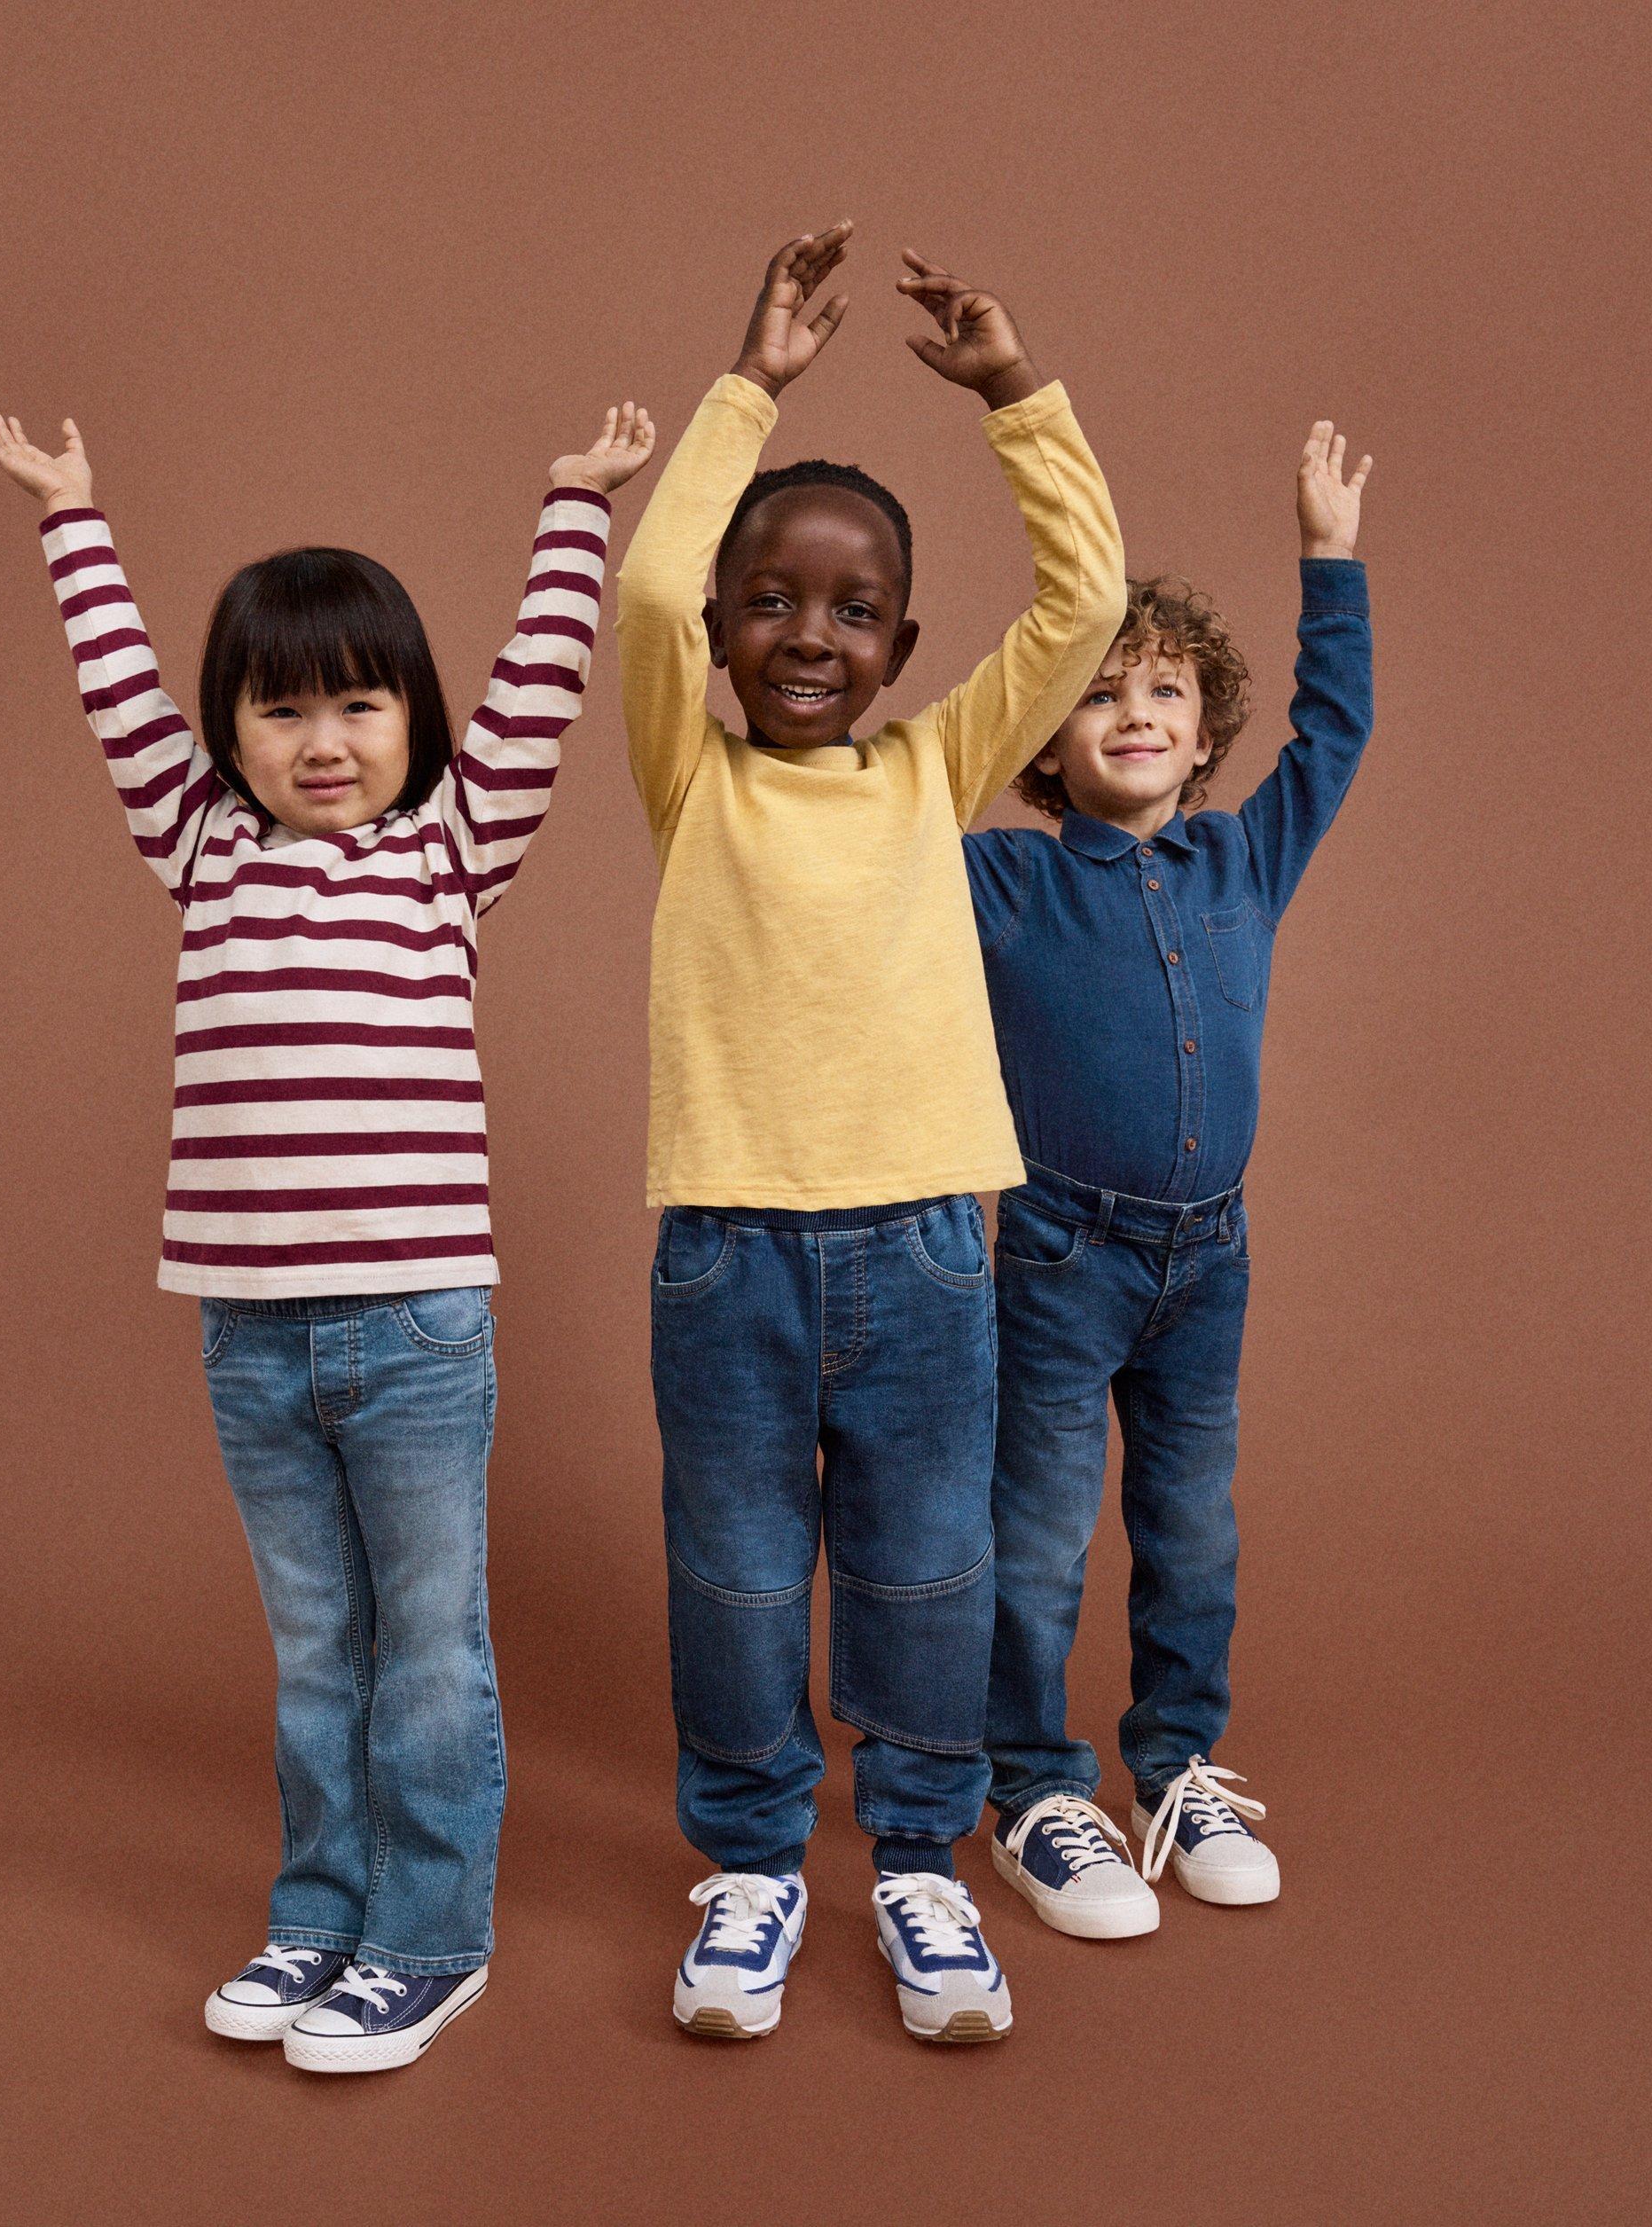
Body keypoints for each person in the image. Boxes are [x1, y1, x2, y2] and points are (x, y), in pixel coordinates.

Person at [0, 398, 654, 2070]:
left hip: (419, 1324)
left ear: (416, 719)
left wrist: (575, 507)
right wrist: (74, 515)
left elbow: (543, 693)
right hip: (251, 1329)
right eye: (280, 711)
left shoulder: (449, 847)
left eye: (361, 701)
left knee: (426, 1645)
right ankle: (318, 1915)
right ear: (230, 737)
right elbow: (118, 695)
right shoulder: (201, 840)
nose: (324, 739)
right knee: (311, 1647)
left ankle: (427, 1940)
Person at [615, 223, 1126, 2043]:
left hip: (921, 1249)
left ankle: (919, 1856)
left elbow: (1079, 604)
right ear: (724, 630)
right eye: (769, 599)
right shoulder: (690, 773)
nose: (803, 632)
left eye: (846, 610)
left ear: (901, 645)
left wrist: (1011, 393)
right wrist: (751, 383)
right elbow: (643, 584)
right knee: (736, 1570)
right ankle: (750, 1863)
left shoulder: (935, 766)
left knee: (926, 1565)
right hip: (726, 1247)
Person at [967, 424, 1374, 1940]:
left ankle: (1179, 1766)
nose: (1134, 712)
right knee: (1040, 1532)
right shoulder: (1001, 877)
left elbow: (1331, 734)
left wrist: (1329, 561)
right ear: (1043, 738)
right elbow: (861, 844)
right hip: (1062, 1255)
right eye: (1097, 689)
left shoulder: (1243, 861)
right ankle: (1033, 1788)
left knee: (1193, 1525)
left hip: (1212, 1259)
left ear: (1206, 734)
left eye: (1164, 690)